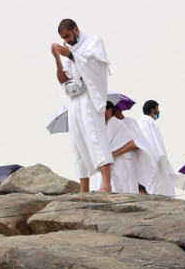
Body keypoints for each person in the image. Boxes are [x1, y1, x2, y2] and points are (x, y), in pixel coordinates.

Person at [51, 19, 113, 192]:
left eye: (68, 36)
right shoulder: (69, 50)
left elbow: (94, 66)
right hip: (75, 101)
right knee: (77, 141)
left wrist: (69, 55)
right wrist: (58, 58)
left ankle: (106, 184)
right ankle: (83, 188)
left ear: (76, 30)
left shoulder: (94, 41)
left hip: (90, 97)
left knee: (95, 137)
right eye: (64, 38)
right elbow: (64, 79)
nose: (67, 41)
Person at [93, 101, 142, 193]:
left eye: (102, 110)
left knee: (124, 190)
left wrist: (112, 155)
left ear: (110, 110)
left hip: (122, 162)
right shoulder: (102, 126)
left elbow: (133, 144)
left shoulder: (119, 124)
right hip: (107, 164)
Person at [134, 100, 178, 196]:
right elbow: (150, 144)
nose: (158, 112)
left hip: (154, 162)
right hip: (152, 163)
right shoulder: (145, 121)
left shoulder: (147, 122)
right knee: (156, 189)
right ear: (152, 110)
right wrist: (159, 160)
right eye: (157, 109)